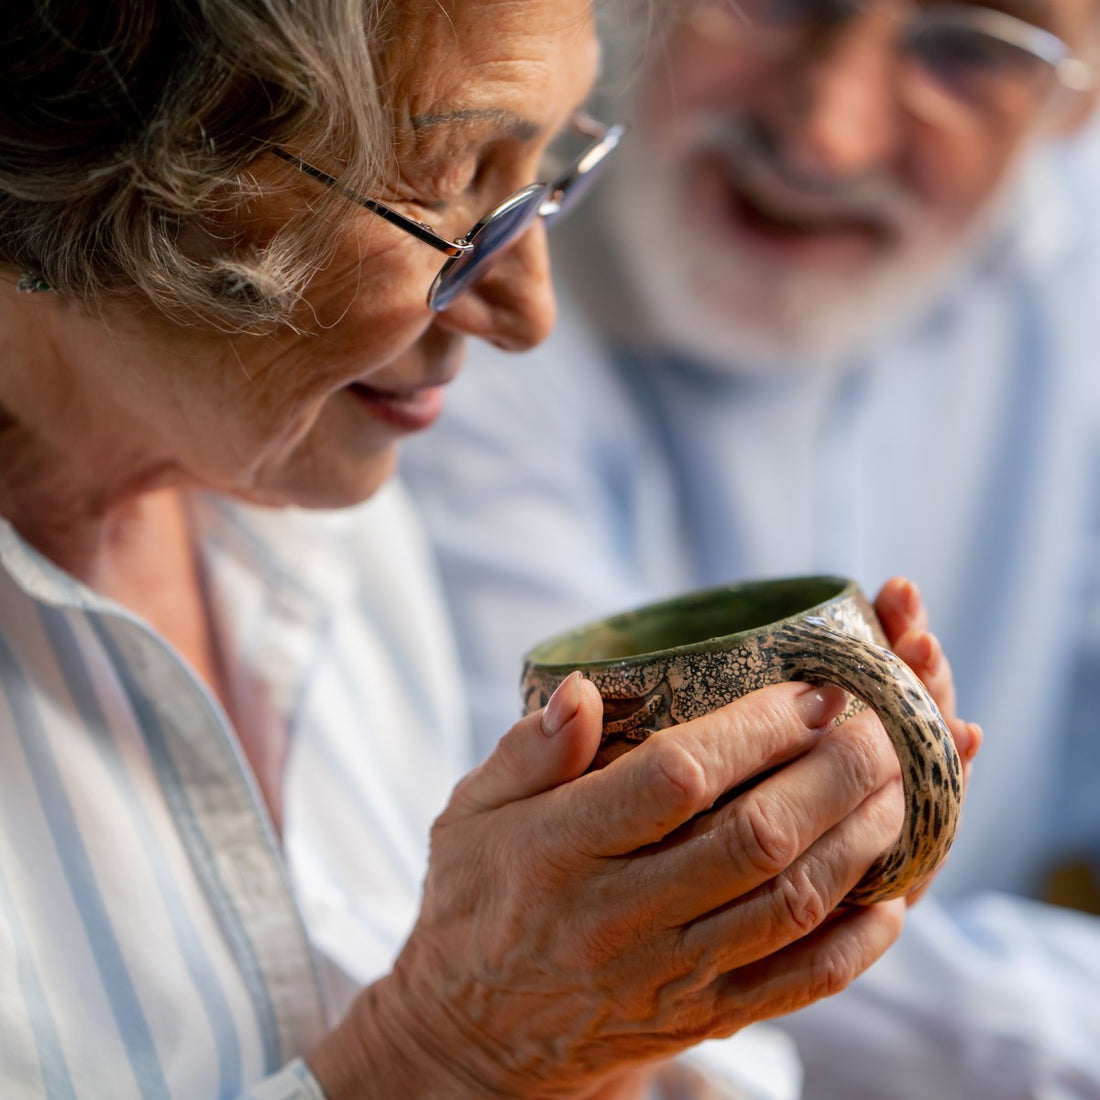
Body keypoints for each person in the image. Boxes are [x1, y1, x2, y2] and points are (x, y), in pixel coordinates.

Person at [0, 2, 981, 1098]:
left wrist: (621, 1006)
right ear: (83, 148)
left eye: (544, 174)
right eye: (449, 184)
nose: (526, 312)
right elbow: (466, 1040)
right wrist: (450, 1050)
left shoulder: (323, 515)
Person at [400, 0, 1100, 1096]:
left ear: (1084, 96)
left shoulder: (1077, 257)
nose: (828, 135)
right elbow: (611, 919)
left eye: (969, 47)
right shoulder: (462, 284)